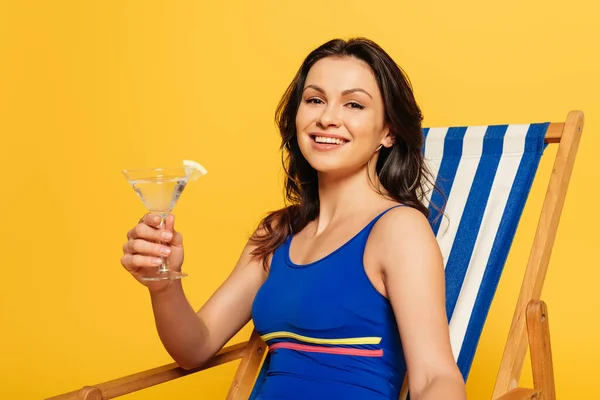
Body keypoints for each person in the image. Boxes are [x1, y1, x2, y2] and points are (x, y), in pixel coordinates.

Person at [121, 37, 467, 400]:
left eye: (354, 104)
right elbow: (195, 347)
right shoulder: (277, 232)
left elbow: (435, 377)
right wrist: (163, 285)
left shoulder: (398, 230)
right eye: (315, 100)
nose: (328, 118)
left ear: (388, 131)